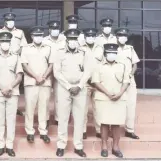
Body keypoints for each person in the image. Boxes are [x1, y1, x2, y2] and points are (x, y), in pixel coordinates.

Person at [53, 29, 91, 157]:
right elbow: (57, 72)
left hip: (80, 89)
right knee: (63, 118)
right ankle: (61, 145)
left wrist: (79, 86)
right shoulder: (59, 52)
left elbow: (88, 71)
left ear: (78, 40)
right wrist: (69, 87)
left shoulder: (84, 52)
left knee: (79, 119)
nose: (73, 41)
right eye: (71, 39)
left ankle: (78, 146)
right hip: (64, 88)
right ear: (67, 40)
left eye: (75, 39)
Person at [0, 32, 23, 157]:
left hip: (12, 93)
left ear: (10, 43)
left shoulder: (16, 57)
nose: (5, 44)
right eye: (3, 41)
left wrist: (9, 87)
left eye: (7, 41)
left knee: (11, 120)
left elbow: (19, 76)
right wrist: (3, 88)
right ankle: (0, 145)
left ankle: (10, 146)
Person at [92, 43, 129, 158]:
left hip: (119, 98)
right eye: (109, 53)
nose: (111, 55)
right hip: (103, 98)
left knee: (116, 123)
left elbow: (126, 81)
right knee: (104, 123)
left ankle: (115, 147)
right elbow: (96, 82)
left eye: (114, 53)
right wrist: (108, 93)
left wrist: (120, 93)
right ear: (105, 54)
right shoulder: (98, 66)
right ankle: (104, 146)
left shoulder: (122, 66)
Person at [20, 26, 52, 144]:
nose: (38, 37)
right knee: (30, 107)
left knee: (44, 107)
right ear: (32, 36)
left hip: (45, 82)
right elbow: (24, 65)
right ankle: (30, 132)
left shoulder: (48, 48)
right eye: (36, 35)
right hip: (31, 82)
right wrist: (36, 76)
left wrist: (43, 77)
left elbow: (51, 64)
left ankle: (43, 131)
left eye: (40, 35)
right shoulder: (26, 48)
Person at [115, 28, 140, 140]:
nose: (123, 37)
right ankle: (113, 130)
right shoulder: (112, 48)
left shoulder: (130, 49)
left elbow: (135, 64)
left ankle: (130, 130)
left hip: (130, 81)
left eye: (125, 35)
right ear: (116, 36)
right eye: (120, 35)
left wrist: (131, 74)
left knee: (131, 105)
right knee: (115, 105)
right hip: (116, 81)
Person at [80, 28, 104, 139]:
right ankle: (82, 130)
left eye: (92, 36)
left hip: (98, 83)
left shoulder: (100, 49)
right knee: (83, 109)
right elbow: (78, 66)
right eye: (88, 36)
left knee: (98, 108)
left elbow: (104, 65)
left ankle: (99, 130)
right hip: (85, 83)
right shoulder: (80, 49)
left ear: (95, 37)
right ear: (84, 37)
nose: (90, 38)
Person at [43, 20, 66, 126]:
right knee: (45, 96)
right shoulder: (44, 40)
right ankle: (45, 118)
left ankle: (58, 118)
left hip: (60, 70)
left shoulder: (64, 40)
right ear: (49, 30)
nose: (55, 30)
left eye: (57, 29)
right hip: (47, 70)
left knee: (59, 96)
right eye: (53, 29)